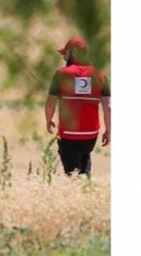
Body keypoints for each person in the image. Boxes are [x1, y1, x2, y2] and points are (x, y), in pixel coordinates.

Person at [45, 37, 111, 176]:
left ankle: (79, 190)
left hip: (68, 132)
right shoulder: (100, 75)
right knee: (84, 158)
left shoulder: (62, 74)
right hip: (91, 133)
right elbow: (108, 107)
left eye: (66, 53)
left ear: (73, 52)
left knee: (72, 174)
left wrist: (48, 119)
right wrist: (108, 130)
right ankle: (85, 186)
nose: (64, 57)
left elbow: (51, 101)